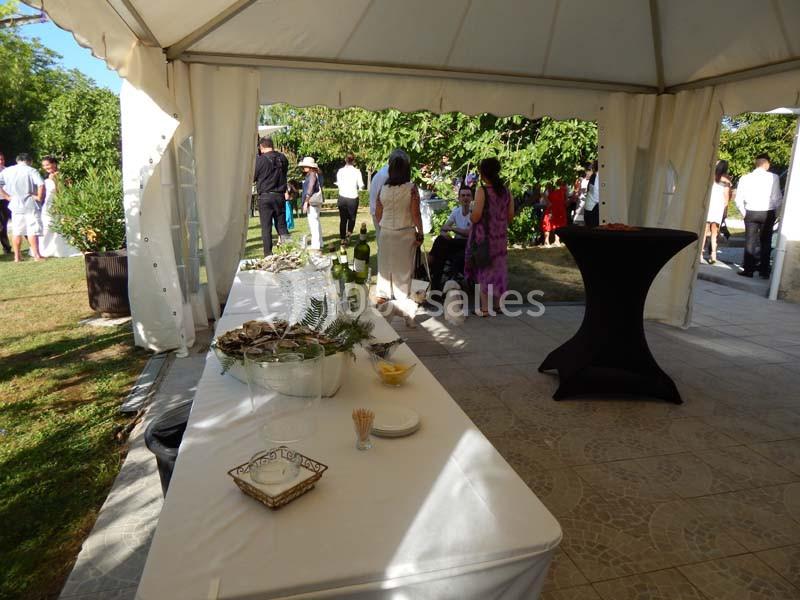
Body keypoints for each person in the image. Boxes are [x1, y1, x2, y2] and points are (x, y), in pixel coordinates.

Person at [375, 150, 423, 326]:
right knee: (404, 275)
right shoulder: (411, 188)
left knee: (385, 271)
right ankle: (407, 313)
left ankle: (384, 313)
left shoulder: (383, 189)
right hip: (404, 233)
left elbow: (379, 214)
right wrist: (421, 232)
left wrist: (386, 223)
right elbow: (415, 213)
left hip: (386, 233)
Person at [465, 157, 514, 316]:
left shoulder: (482, 191)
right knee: (499, 269)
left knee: (484, 269)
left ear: (482, 172)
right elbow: (510, 216)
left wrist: (471, 213)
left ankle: (485, 308)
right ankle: (500, 305)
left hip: (484, 238)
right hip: (500, 237)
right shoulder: (506, 191)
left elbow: (476, 216)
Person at [735, 153, 782, 278]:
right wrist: (777, 214)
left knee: (750, 241)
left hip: (751, 211)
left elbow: (738, 199)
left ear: (756, 163)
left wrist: (744, 212)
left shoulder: (745, 178)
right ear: (767, 164)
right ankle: (764, 271)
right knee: (766, 241)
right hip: (767, 212)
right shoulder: (774, 177)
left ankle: (748, 270)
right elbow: (777, 198)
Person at [0, 153, 44, 262]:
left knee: (17, 231)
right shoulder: (31, 170)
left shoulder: (7, 171)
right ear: (29, 161)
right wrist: (39, 197)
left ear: (17, 161)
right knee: (32, 230)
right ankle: (36, 255)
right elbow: (41, 184)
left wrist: (6, 196)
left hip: (15, 204)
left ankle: (17, 257)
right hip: (30, 203)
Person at [429, 186, 473, 292]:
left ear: (472, 198)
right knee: (441, 240)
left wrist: (452, 229)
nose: (465, 198)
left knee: (441, 249)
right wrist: (444, 233)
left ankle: (430, 261)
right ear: (459, 198)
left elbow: (469, 233)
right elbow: (444, 228)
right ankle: (435, 283)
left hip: (469, 244)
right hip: (456, 243)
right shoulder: (456, 211)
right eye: (463, 195)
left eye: (468, 195)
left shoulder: (474, 213)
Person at [253, 137, 289, 255]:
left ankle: (268, 254)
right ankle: (288, 250)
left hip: (265, 196)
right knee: (282, 226)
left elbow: (253, 177)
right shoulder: (283, 158)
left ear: (261, 147)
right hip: (279, 195)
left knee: (266, 227)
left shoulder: (260, 160)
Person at [38, 156, 79, 257]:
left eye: (47, 164)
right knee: (47, 224)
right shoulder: (47, 176)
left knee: (60, 222)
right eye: (44, 165)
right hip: (48, 202)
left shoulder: (62, 175)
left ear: (54, 164)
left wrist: (55, 181)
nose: (45, 167)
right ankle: (45, 248)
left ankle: (63, 248)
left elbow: (62, 191)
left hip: (58, 202)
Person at [702, 160, 732, 265]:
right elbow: (726, 196)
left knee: (704, 231)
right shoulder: (726, 181)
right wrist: (725, 210)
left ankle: (700, 253)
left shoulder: (710, 177)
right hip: (718, 207)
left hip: (709, 205)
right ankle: (713, 254)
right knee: (715, 232)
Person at [335, 153, 364, 243]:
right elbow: (361, 185)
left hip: (342, 197)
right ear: (353, 161)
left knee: (343, 219)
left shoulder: (340, 171)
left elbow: (338, 183)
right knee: (352, 218)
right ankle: (348, 236)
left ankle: (342, 238)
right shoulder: (357, 171)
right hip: (353, 197)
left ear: (345, 160)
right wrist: (360, 188)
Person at [299, 157, 324, 250]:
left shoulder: (312, 175)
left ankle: (315, 245)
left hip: (312, 202)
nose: (304, 167)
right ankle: (320, 243)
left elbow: (310, 188)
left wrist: (306, 201)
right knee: (316, 221)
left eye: (305, 165)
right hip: (316, 201)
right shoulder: (316, 174)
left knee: (313, 223)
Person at [541, 180, 568, 246]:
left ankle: (557, 240)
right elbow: (542, 192)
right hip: (552, 207)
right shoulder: (550, 182)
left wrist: (565, 201)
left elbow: (566, 195)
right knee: (547, 222)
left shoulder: (564, 183)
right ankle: (546, 241)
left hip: (560, 207)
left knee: (559, 224)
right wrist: (548, 202)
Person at [368, 161, 390, 244]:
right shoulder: (387, 175)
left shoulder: (383, 172)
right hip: (381, 213)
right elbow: (381, 199)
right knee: (384, 243)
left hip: (378, 211)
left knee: (382, 241)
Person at [583, 161, 600, 227]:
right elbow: (596, 195)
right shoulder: (596, 176)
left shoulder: (594, 176)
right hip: (593, 208)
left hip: (590, 207)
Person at [0, 152, 10, 253]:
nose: (1, 161)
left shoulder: (7, 171)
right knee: (2, 226)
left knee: (18, 220)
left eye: (2, 159)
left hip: (7, 200)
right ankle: (6, 247)